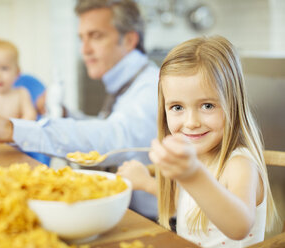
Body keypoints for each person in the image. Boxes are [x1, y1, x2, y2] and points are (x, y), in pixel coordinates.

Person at [0, 0, 159, 220]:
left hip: (154, 221)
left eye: (96, 36)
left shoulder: (152, 87)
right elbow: (111, 127)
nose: (84, 50)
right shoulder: (126, 83)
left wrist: (10, 128)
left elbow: (115, 138)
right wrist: (65, 113)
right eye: (81, 38)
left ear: (129, 40)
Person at [117, 35, 279, 247]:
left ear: (233, 104)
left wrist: (193, 175)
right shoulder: (198, 157)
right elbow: (192, 203)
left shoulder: (239, 165)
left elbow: (239, 226)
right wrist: (147, 184)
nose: (191, 122)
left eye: (207, 106)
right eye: (177, 107)